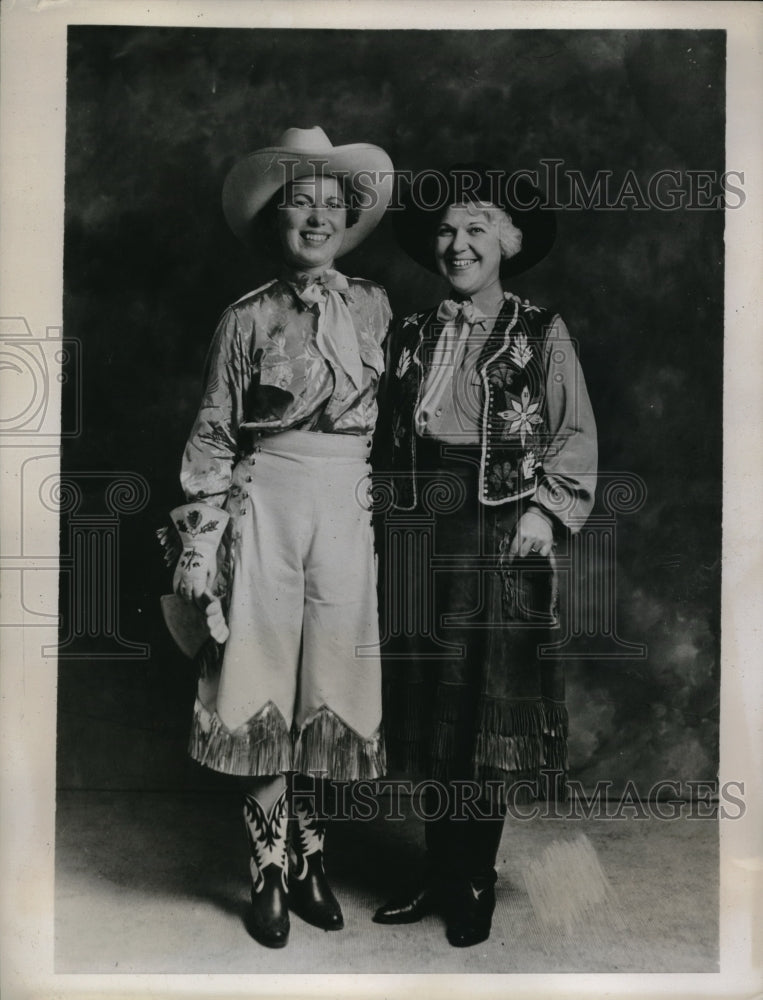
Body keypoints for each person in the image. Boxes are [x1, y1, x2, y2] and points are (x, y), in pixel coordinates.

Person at [166, 127, 393, 948]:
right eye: (301, 203)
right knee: (259, 679)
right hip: (266, 501)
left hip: (348, 503)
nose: (317, 218)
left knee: (329, 683)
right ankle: (263, 867)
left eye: (332, 205)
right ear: (275, 221)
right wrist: (200, 544)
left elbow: (397, 419)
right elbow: (215, 434)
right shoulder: (246, 319)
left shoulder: (374, 305)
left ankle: (310, 858)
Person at [373, 164, 597, 947]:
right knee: (429, 702)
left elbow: (571, 433)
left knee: (480, 707)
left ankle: (474, 874)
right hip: (414, 527)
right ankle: (437, 866)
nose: (457, 244)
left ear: (507, 242)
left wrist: (545, 509)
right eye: (445, 230)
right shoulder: (405, 332)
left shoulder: (539, 330)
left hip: (496, 528)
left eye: (475, 229)